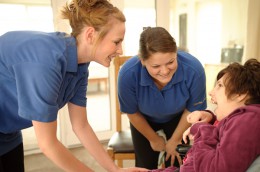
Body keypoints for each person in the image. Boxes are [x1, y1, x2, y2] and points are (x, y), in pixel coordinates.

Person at [0, 0, 148, 172]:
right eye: (116, 42)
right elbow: (48, 144)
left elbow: (81, 125)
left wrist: (115, 170)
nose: (120, 50)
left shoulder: (80, 67)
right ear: (91, 35)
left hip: (8, 133)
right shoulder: (46, 62)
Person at [117, 27, 207, 169]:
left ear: (176, 54)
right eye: (156, 66)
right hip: (143, 119)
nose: (165, 71)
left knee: (179, 163)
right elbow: (132, 112)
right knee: (145, 165)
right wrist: (153, 139)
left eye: (170, 62)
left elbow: (193, 110)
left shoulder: (194, 70)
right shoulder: (127, 74)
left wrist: (175, 139)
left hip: (180, 118)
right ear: (142, 61)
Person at [151, 58, 260, 172]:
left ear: (240, 94)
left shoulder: (247, 121)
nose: (211, 92)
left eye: (219, 85)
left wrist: (202, 130)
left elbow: (218, 169)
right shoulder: (241, 119)